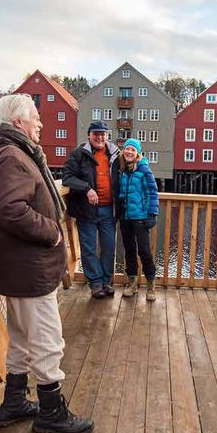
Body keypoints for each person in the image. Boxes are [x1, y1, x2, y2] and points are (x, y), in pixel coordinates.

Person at [0, 94, 94, 433]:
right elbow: (9, 209)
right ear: (18, 122)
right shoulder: (12, 156)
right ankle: (52, 413)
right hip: (29, 266)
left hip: (16, 266)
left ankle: (13, 402)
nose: (41, 124)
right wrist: (53, 232)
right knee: (46, 339)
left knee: (23, 337)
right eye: (36, 118)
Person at [62, 120, 120, 299]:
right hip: (87, 210)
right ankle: (95, 284)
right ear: (89, 135)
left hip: (108, 210)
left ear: (107, 136)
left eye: (103, 134)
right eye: (96, 134)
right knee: (88, 248)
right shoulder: (79, 154)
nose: (100, 137)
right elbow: (67, 178)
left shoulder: (115, 154)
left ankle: (106, 281)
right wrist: (87, 188)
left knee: (109, 247)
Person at [112, 138, 159, 300]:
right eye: (127, 149)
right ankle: (132, 283)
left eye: (133, 150)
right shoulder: (121, 168)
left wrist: (152, 214)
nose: (129, 152)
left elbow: (152, 192)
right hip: (125, 217)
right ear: (123, 151)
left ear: (138, 153)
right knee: (129, 251)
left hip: (140, 217)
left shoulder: (143, 169)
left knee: (144, 251)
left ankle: (151, 285)